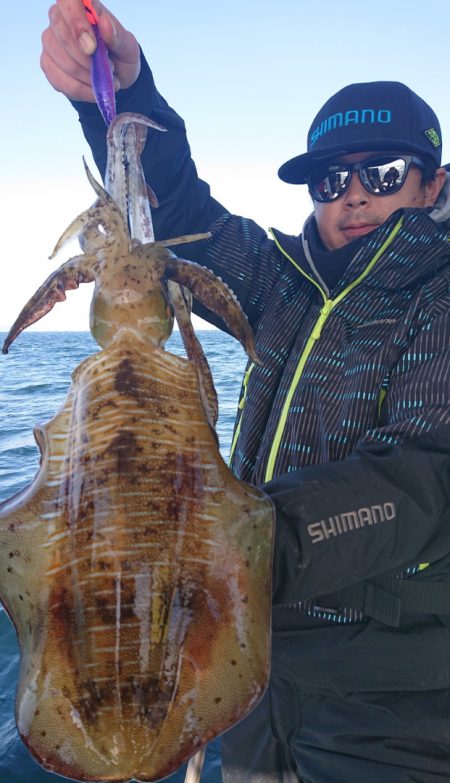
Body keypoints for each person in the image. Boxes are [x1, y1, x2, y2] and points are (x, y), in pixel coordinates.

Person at [40, 2, 450, 782]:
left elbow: (427, 475)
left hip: (393, 701)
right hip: (248, 663)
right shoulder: (285, 281)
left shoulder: (442, 290)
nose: (353, 196)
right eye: (332, 178)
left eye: (383, 174)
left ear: (434, 183)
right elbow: (181, 220)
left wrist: (242, 541)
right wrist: (125, 97)